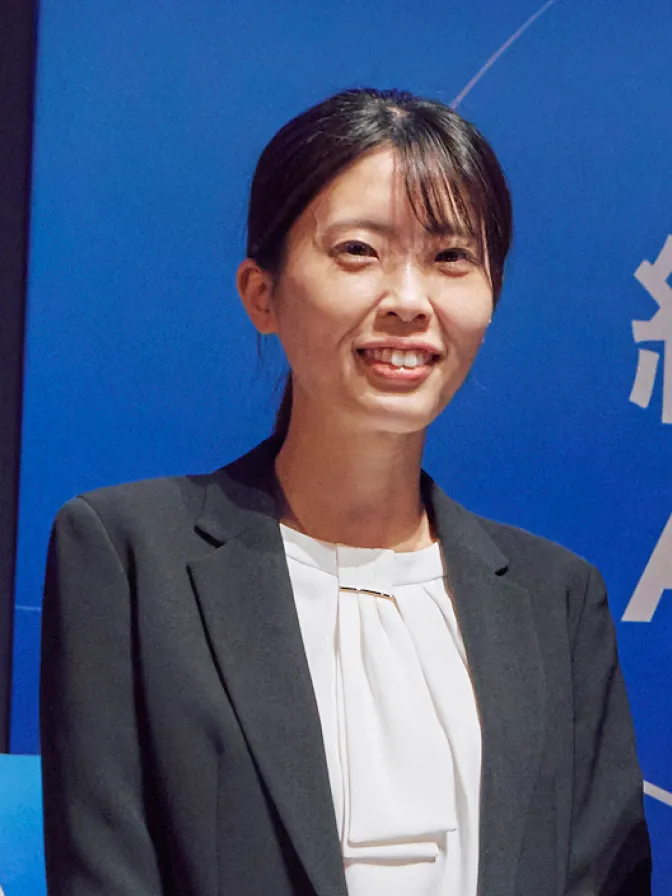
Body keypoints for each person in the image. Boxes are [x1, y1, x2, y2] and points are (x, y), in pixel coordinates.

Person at [40, 88, 651, 896]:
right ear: (261, 293)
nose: (409, 301)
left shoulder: (558, 600)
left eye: (451, 257)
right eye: (359, 251)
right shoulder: (128, 557)